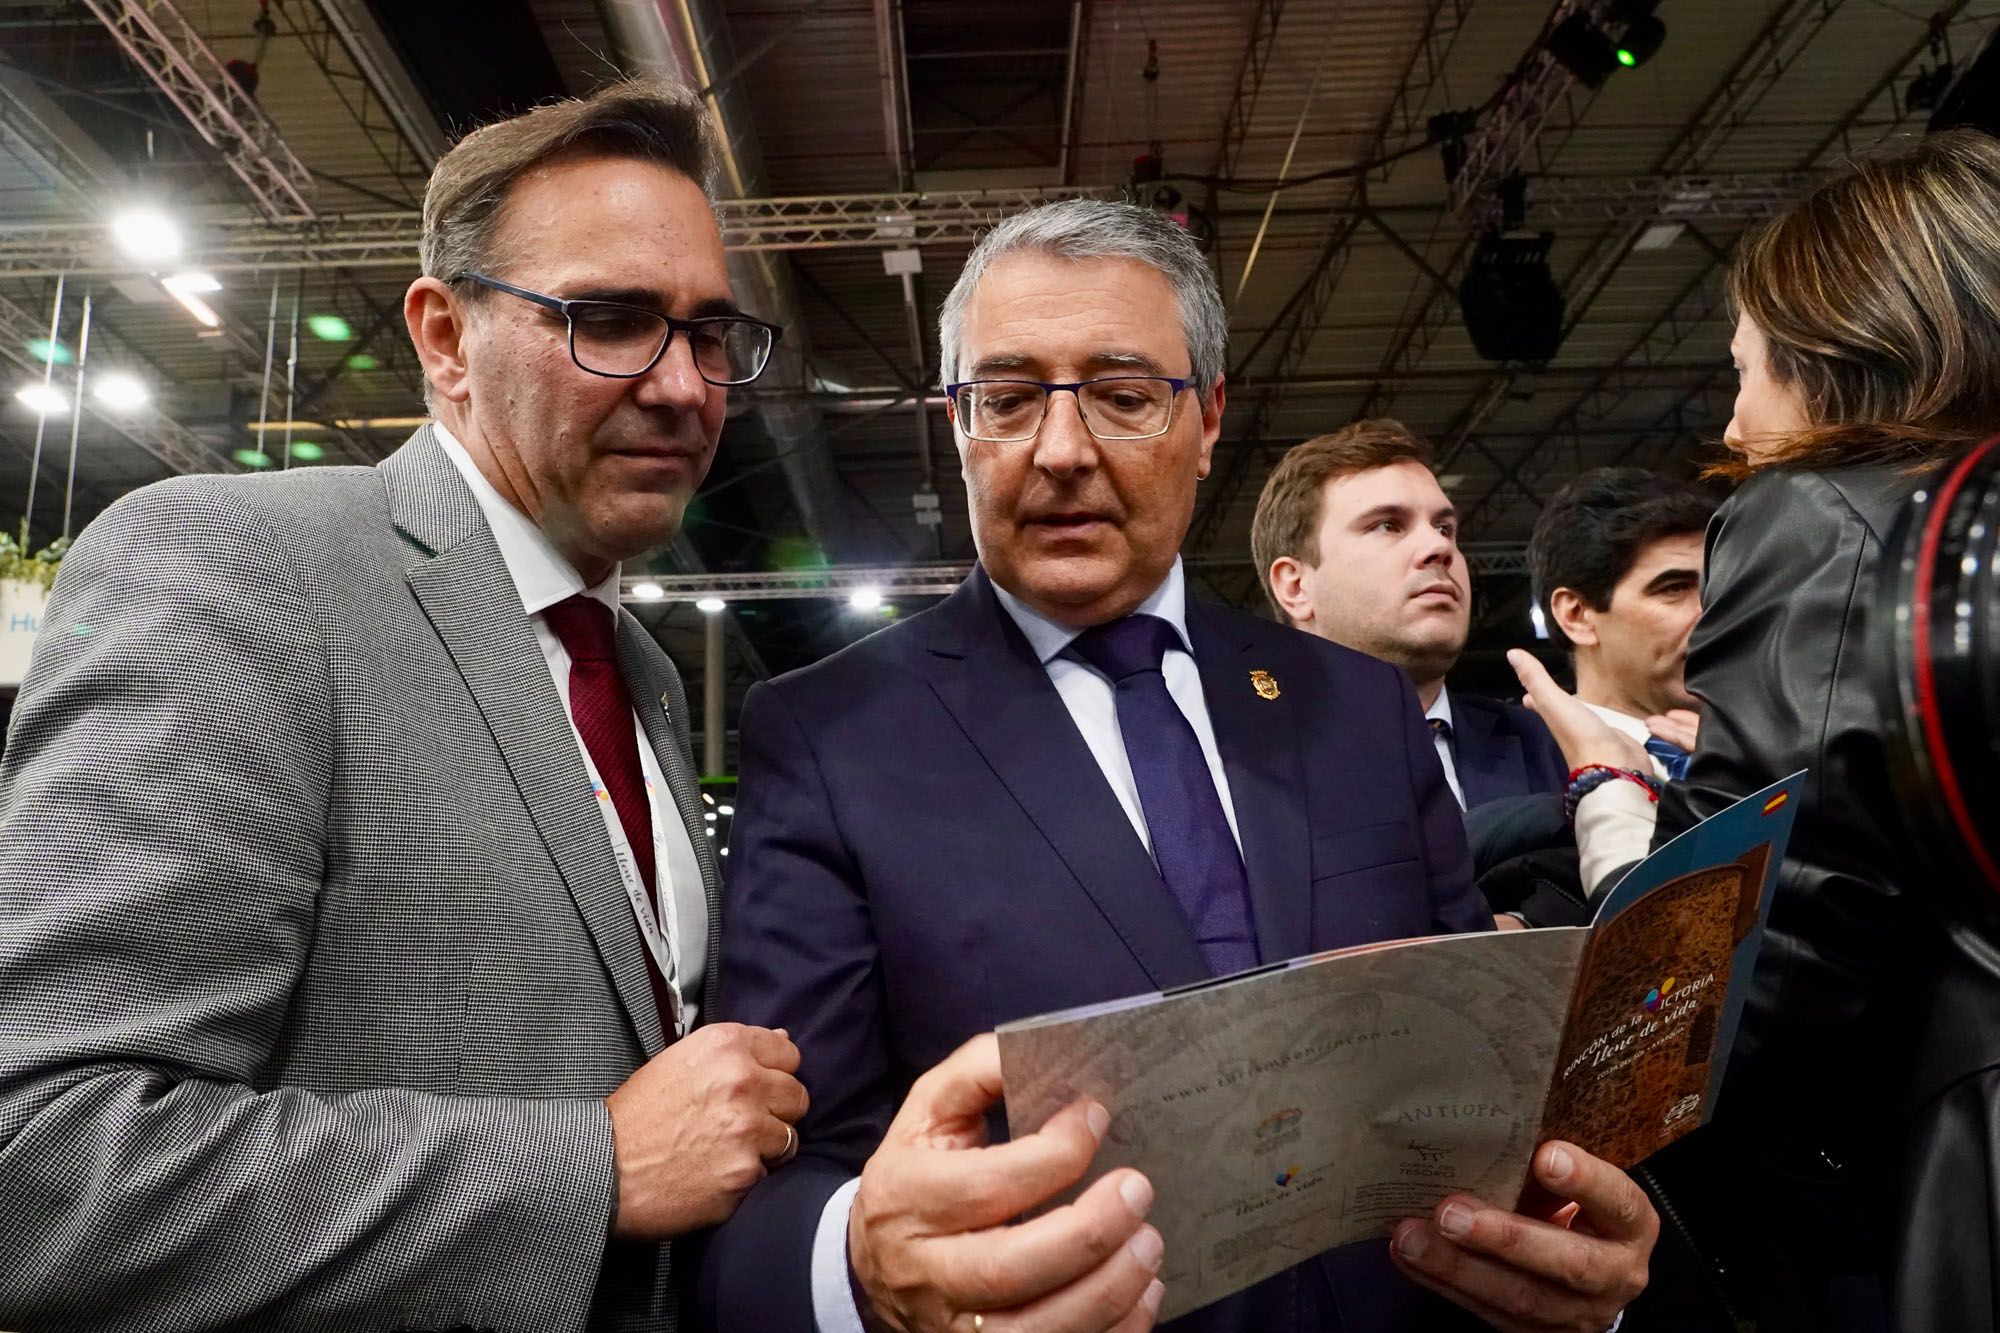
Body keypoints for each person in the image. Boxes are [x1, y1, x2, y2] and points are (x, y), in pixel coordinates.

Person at [702, 200, 1656, 1333]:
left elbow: (1477, 1081)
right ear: (956, 427)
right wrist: (863, 1274)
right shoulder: (831, 733)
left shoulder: (1352, 707)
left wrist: (1574, 1253)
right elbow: (770, 1183)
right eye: (1006, 400)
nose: (1059, 451)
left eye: (1120, 395)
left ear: (1205, 420)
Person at [0, 78, 808, 1331]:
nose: (684, 387)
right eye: (610, 318)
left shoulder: (633, 665)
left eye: (709, 334)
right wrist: (588, 1167)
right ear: (443, 339)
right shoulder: (240, 567)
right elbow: (41, 1160)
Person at [1510, 128, 2000, 1332]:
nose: (1730, 429)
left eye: (1747, 371)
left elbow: (1744, 960)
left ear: (1846, 350)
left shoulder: (1825, 509)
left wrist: (1610, 808)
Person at [1252, 421, 1567, 812]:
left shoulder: (1560, 750)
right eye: (1388, 525)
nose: (1438, 546)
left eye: (1445, 527)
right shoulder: (1238, 770)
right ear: (1296, 587)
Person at [1526, 467, 1715, 780]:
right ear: (1577, 615)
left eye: (1716, 588)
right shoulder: (1525, 770)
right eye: (1674, 588)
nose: (1710, 612)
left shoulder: (1761, 753)